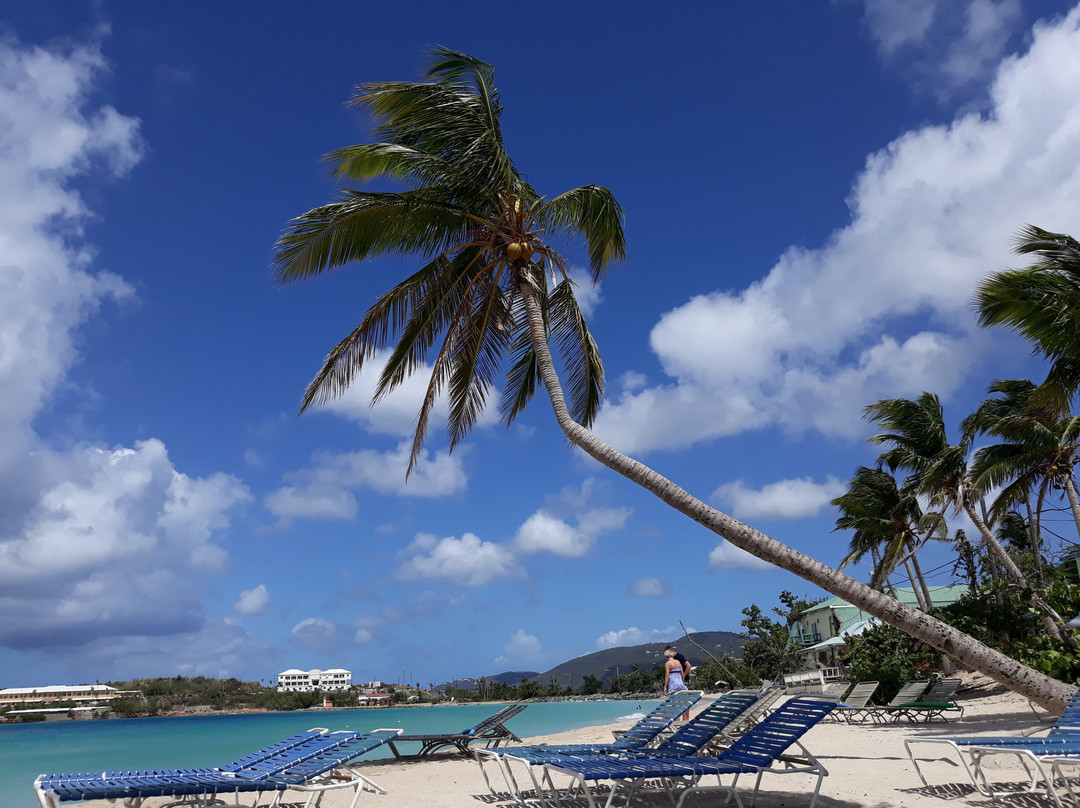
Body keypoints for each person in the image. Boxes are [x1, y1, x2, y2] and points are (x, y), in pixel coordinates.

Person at [664, 645, 692, 720]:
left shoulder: (678, 657)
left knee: (678, 702)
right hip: (681, 682)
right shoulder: (677, 661)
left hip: (679, 682)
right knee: (683, 701)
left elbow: (689, 666)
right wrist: (681, 679)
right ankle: (684, 720)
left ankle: (682, 720)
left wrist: (683, 676)